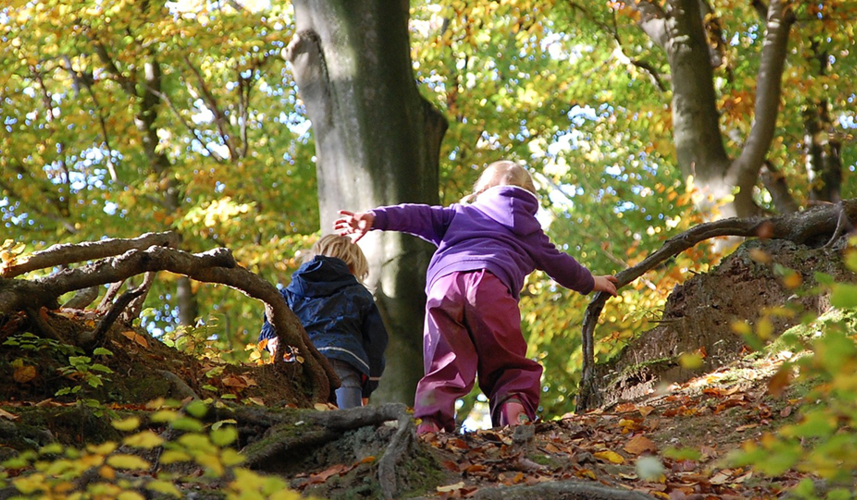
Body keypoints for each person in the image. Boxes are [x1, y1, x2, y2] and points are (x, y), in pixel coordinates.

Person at [334, 161, 617, 433]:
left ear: (480, 191)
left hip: (444, 288)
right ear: (530, 196)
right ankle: (512, 413)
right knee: (507, 362)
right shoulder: (529, 229)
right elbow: (560, 264)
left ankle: (431, 423)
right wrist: (592, 281)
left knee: (443, 364)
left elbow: (415, 215)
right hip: (491, 287)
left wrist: (374, 218)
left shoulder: (459, 214)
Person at [260, 235, 388, 409]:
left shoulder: (289, 292)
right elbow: (376, 341)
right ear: (352, 266)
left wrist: (272, 341)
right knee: (348, 425)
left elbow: (270, 323)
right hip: (343, 361)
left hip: (299, 360)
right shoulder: (358, 293)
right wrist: (368, 387)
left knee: (300, 421)